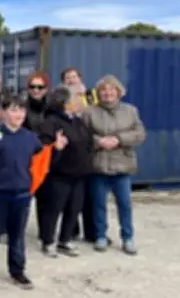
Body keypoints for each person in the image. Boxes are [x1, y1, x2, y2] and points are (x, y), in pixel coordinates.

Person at [0, 95, 65, 290]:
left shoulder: (30, 138)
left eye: (22, 110)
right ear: (3, 113)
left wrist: (55, 149)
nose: (19, 114)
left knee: (17, 236)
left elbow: (41, 160)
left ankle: (17, 271)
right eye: (14, 110)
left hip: (22, 195)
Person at [80, 75, 146, 255]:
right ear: (98, 93)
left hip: (122, 165)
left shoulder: (131, 111)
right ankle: (100, 236)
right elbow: (81, 135)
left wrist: (118, 139)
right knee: (98, 204)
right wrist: (98, 141)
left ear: (118, 91)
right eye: (103, 90)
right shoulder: (89, 112)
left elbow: (140, 134)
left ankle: (128, 237)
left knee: (124, 204)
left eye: (111, 89)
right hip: (98, 164)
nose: (107, 93)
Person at [37, 86, 92, 258]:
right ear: (66, 103)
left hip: (79, 173)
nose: (80, 101)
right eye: (77, 98)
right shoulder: (51, 122)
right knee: (53, 208)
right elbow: (43, 147)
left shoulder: (78, 121)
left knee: (74, 208)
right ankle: (48, 241)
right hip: (59, 174)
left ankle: (65, 240)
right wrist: (56, 147)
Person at [61, 66, 99, 243]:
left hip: (90, 149)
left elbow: (99, 116)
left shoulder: (91, 96)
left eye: (74, 77)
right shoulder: (62, 98)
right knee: (71, 197)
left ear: (80, 78)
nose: (71, 80)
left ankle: (92, 233)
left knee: (89, 197)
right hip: (70, 151)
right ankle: (72, 230)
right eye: (67, 78)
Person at [23, 71, 50, 239]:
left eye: (40, 87)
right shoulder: (21, 107)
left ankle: (45, 234)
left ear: (46, 89)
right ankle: (16, 231)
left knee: (45, 198)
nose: (36, 90)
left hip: (46, 157)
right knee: (24, 198)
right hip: (26, 156)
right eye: (32, 87)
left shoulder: (52, 109)